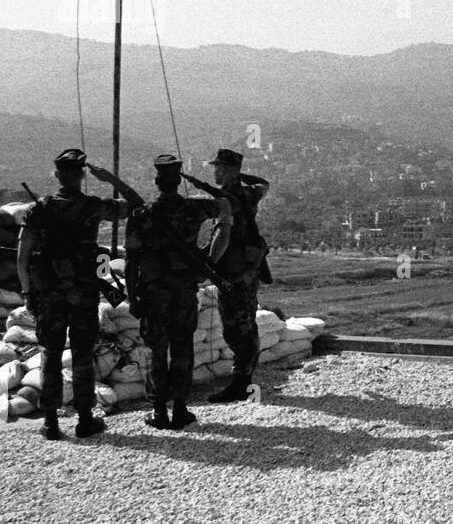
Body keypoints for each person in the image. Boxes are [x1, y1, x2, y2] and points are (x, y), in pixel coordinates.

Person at [16, 149, 131, 440]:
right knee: (82, 354)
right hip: (83, 291)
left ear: (56, 175)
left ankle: (51, 422)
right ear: (81, 176)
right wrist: (109, 179)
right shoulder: (94, 206)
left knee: (50, 353)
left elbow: (22, 258)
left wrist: (28, 292)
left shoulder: (38, 210)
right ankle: (84, 418)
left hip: (48, 295)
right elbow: (135, 205)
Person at [125, 155, 230, 429]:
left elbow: (131, 260)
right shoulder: (195, 209)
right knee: (183, 348)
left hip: (152, 292)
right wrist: (209, 260)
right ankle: (181, 409)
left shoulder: (141, 215)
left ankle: (159, 410)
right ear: (178, 180)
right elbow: (225, 206)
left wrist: (131, 294)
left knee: (156, 351)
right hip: (184, 289)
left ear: (157, 181)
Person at [184, 148, 270, 404]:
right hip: (247, 270)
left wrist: (207, 263)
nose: (215, 172)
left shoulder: (229, 201)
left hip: (233, 272)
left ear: (229, 170)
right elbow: (264, 184)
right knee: (246, 321)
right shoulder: (248, 194)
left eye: (220, 168)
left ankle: (241, 383)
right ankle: (244, 378)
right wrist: (237, 173)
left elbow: (221, 235)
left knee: (237, 327)